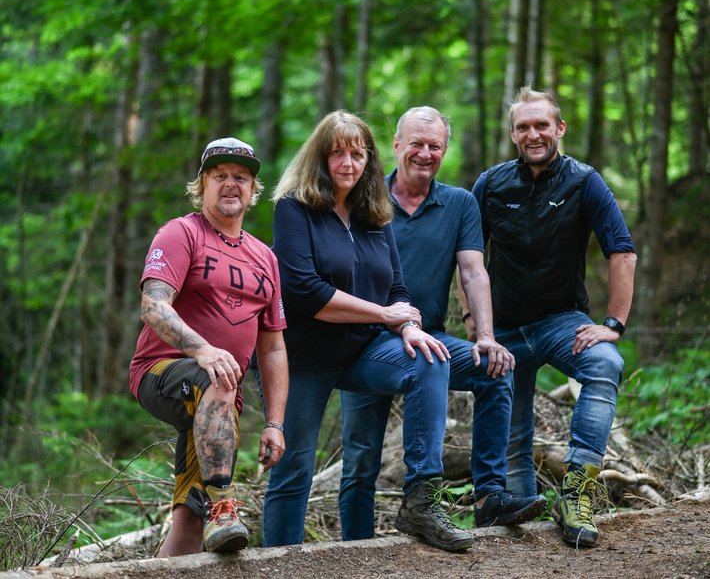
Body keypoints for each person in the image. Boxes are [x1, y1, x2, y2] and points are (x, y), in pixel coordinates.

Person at [262, 110, 473, 552]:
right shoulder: (294, 208)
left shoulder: (375, 213)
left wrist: (411, 327)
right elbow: (307, 292)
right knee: (294, 467)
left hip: (363, 351)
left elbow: (398, 288)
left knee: (430, 357)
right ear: (319, 158)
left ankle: (421, 498)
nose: (347, 164)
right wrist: (385, 315)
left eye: (357, 154)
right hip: (303, 356)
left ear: (369, 160)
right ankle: (281, 560)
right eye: (337, 153)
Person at [339, 106, 547, 540]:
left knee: (494, 369)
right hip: (363, 341)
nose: (425, 153)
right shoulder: (361, 197)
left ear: (445, 150)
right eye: (416, 143)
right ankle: (352, 549)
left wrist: (486, 337)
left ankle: (490, 497)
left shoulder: (459, 203)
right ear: (395, 146)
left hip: (428, 340)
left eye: (435, 146)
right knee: (361, 459)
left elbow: (472, 271)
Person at [466, 86, 637, 548]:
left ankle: (577, 491)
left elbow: (622, 252)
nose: (533, 133)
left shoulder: (585, 181)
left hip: (562, 322)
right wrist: (471, 317)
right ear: (513, 134)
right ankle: (519, 530)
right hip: (503, 331)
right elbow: (467, 256)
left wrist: (613, 324)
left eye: (542, 124)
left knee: (605, 364)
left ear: (559, 128)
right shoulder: (491, 183)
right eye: (523, 126)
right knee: (515, 447)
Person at [129, 137, 289, 557]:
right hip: (163, 371)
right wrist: (202, 349)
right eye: (220, 176)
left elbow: (272, 348)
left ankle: (204, 514)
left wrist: (275, 422)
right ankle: (225, 505)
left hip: (219, 397)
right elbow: (153, 305)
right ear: (202, 184)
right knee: (215, 377)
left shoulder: (265, 258)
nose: (231, 184)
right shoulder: (182, 233)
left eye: (241, 177)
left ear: (254, 190)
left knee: (189, 517)